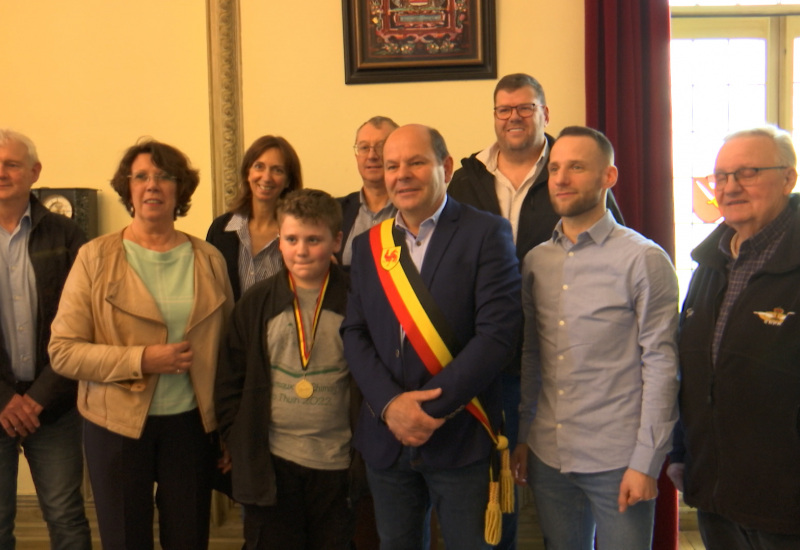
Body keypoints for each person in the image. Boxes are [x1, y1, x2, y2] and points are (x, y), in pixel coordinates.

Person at [448, 74, 624, 549]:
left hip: (559, 365)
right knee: (496, 491)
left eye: (525, 108)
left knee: (559, 500)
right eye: (504, 110)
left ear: (545, 113)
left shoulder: (572, 169)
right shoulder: (466, 179)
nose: (514, 118)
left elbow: (611, 249)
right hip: (487, 363)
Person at [341, 124, 522, 549]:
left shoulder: (486, 233)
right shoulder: (370, 245)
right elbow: (354, 332)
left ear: (444, 166)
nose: (401, 174)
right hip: (386, 440)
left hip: (461, 437)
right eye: (391, 166)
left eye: (415, 162)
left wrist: (426, 410)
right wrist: (390, 406)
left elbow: (497, 336)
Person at [49, 139, 234, 549]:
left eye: (165, 176)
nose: (153, 185)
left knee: (188, 538)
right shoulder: (94, 257)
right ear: (127, 188)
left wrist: (227, 429)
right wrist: (142, 359)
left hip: (191, 426)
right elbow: (63, 351)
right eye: (142, 176)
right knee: (126, 540)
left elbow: (227, 354)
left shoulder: (208, 259)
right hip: (115, 425)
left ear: (179, 190)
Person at [511, 126, 679, 549]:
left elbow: (662, 366)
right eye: (554, 169)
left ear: (609, 177)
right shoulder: (536, 261)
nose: (562, 179)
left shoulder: (643, 259)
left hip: (618, 460)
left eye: (577, 167)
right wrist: (524, 436)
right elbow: (532, 357)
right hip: (551, 454)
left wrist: (646, 462)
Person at [667, 126, 800, 549]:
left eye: (747, 173)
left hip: (786, 503)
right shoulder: (710, 265)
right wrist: (682, 452)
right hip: (715, 492)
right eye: (721, 176)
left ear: (789, 178)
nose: (730, 187)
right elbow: (693, 368)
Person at [216, 189, 354, 549]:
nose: (302, 250)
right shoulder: (256, 302)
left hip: (339, 464)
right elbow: (229, 379)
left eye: (313, 240)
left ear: (336, 240)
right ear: (280, 241)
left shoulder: (358, 299)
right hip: (272, 464)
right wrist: (237, 438)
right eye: (291, 239)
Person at [0, 129, 91, 549]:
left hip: (53, 406)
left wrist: (39, 396)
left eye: (12, 164)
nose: (2, 172)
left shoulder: (68, 236)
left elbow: (86, 323)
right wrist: (5, 399)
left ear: (35, 172)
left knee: (66, 516)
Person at [207, 135, 303, 300]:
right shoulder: (221, 229)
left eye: (277, 170)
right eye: (259, 167)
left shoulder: (300, 233)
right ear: (247, 173)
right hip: (230, 326)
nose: (266, 177)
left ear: (288, 181)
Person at [338, 116, 399, 267]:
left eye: (381, 146)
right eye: (364, 147)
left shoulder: (415, 211)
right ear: (356, 156)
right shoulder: (335, 210)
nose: (372, 155)